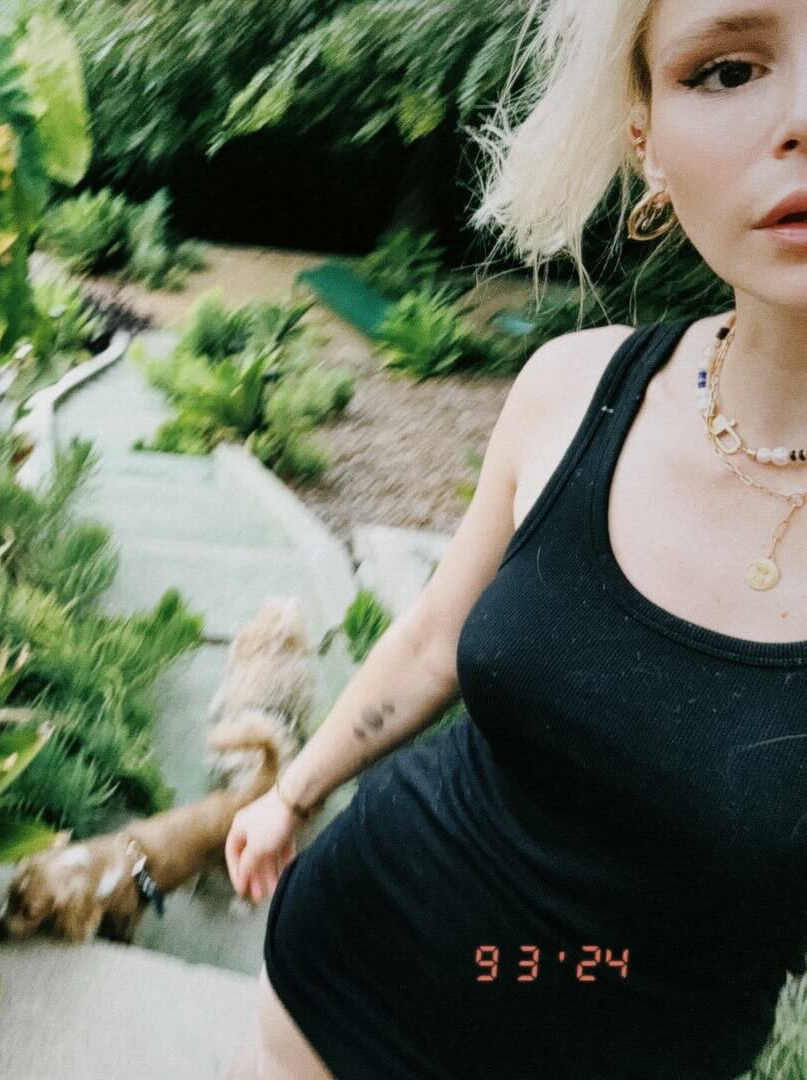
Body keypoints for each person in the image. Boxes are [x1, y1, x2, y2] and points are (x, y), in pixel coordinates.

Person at [224, 0, 807, 1076]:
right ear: (648, 144)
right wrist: (290, 793)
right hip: (351, 962)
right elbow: (434, 636)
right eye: (728, 70)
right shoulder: (571, 390)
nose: (802, 115)